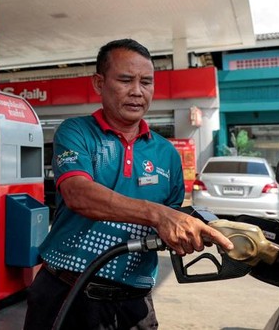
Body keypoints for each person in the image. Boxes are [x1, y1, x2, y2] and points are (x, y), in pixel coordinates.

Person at [23, 39, 234, 330]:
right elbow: (77, 194)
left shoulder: (166, 154)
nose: (138, 91)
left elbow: (169, 222)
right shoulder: (77, 132)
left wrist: (192, 230)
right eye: (125, 80)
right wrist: (158, 214)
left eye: (146, 82)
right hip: (66, 294)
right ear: (99, 82)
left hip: (134, 303)